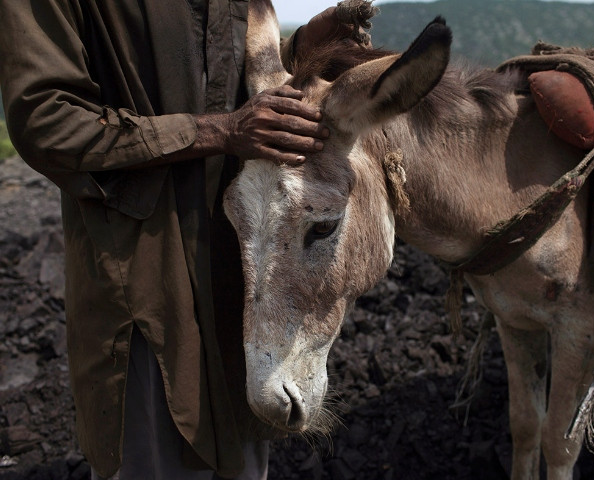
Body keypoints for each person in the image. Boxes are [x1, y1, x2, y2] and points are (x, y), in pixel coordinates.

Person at [0, 1, 365, 478]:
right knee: (156, 454)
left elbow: (213, 72)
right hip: (144, 271)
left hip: (239, 279)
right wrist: (221, 131)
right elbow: (45, 121)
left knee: (241, 455)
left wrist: (299, 51)